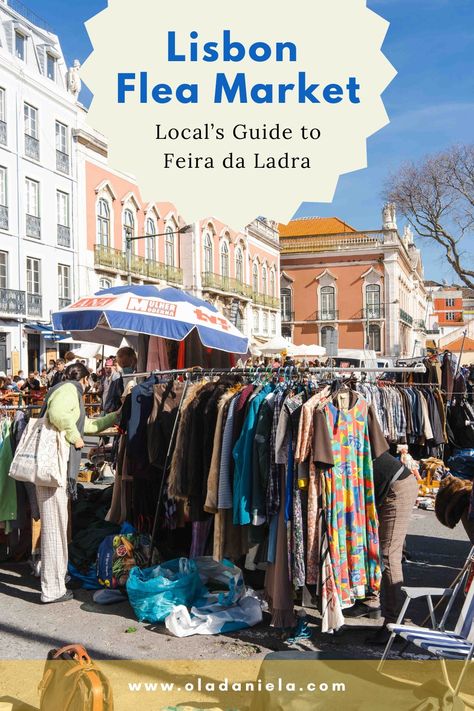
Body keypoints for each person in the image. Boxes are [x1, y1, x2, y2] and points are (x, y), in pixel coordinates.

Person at [36, 362, 121, 603]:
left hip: (55, 470)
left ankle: (57, 579)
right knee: (54, 528)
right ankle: (52, 590)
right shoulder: (69, 389)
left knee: (59, 526)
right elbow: (59, 415)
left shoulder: (68, 390)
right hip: (53, 469)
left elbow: (87, 426)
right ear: (84, 379)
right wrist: (75, 438)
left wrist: (114, 417)